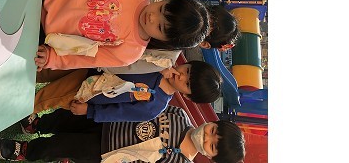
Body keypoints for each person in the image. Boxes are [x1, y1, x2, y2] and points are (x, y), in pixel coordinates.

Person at [31, 1, 239, 113]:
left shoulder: (166, 59)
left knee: (52, 93)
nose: (199, 22)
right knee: (43, 64)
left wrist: (92, 110)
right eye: (206, 13)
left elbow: (124, 69)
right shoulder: (167, 9)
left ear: (203, 43)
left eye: (206, 31)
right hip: (88, 36)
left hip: (95, 67)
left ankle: (24, 105)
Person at [35, 0, 210, 71]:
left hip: (44, 36)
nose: (152, 17)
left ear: (166, 41)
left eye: (160, 26)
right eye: (161, 9)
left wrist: (53, 59)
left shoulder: (130, 52)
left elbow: (85, 59)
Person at [0, 105, 246, 163]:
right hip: (107, 121)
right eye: (212, 131)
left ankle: (26, 151)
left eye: (211, 145)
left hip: (106, 153)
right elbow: (147, 106)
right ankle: (38, 124)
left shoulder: (180, 161)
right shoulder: (180, 115)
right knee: (66, 118)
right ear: (212, 122)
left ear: (211, 157)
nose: (205, 137)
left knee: (61, 146)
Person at [22, 60, 221, 126]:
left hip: (88, 92)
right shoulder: (161, 62)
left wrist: (89, 111)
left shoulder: (155, 106)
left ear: (187, 96)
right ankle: (15, 70)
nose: (182, 76)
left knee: (48, 97)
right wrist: (158, 66)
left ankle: (17, 108)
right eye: (188, 71)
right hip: (90, 65)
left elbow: (119, 113)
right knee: (45, 70)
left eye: (187, 83)